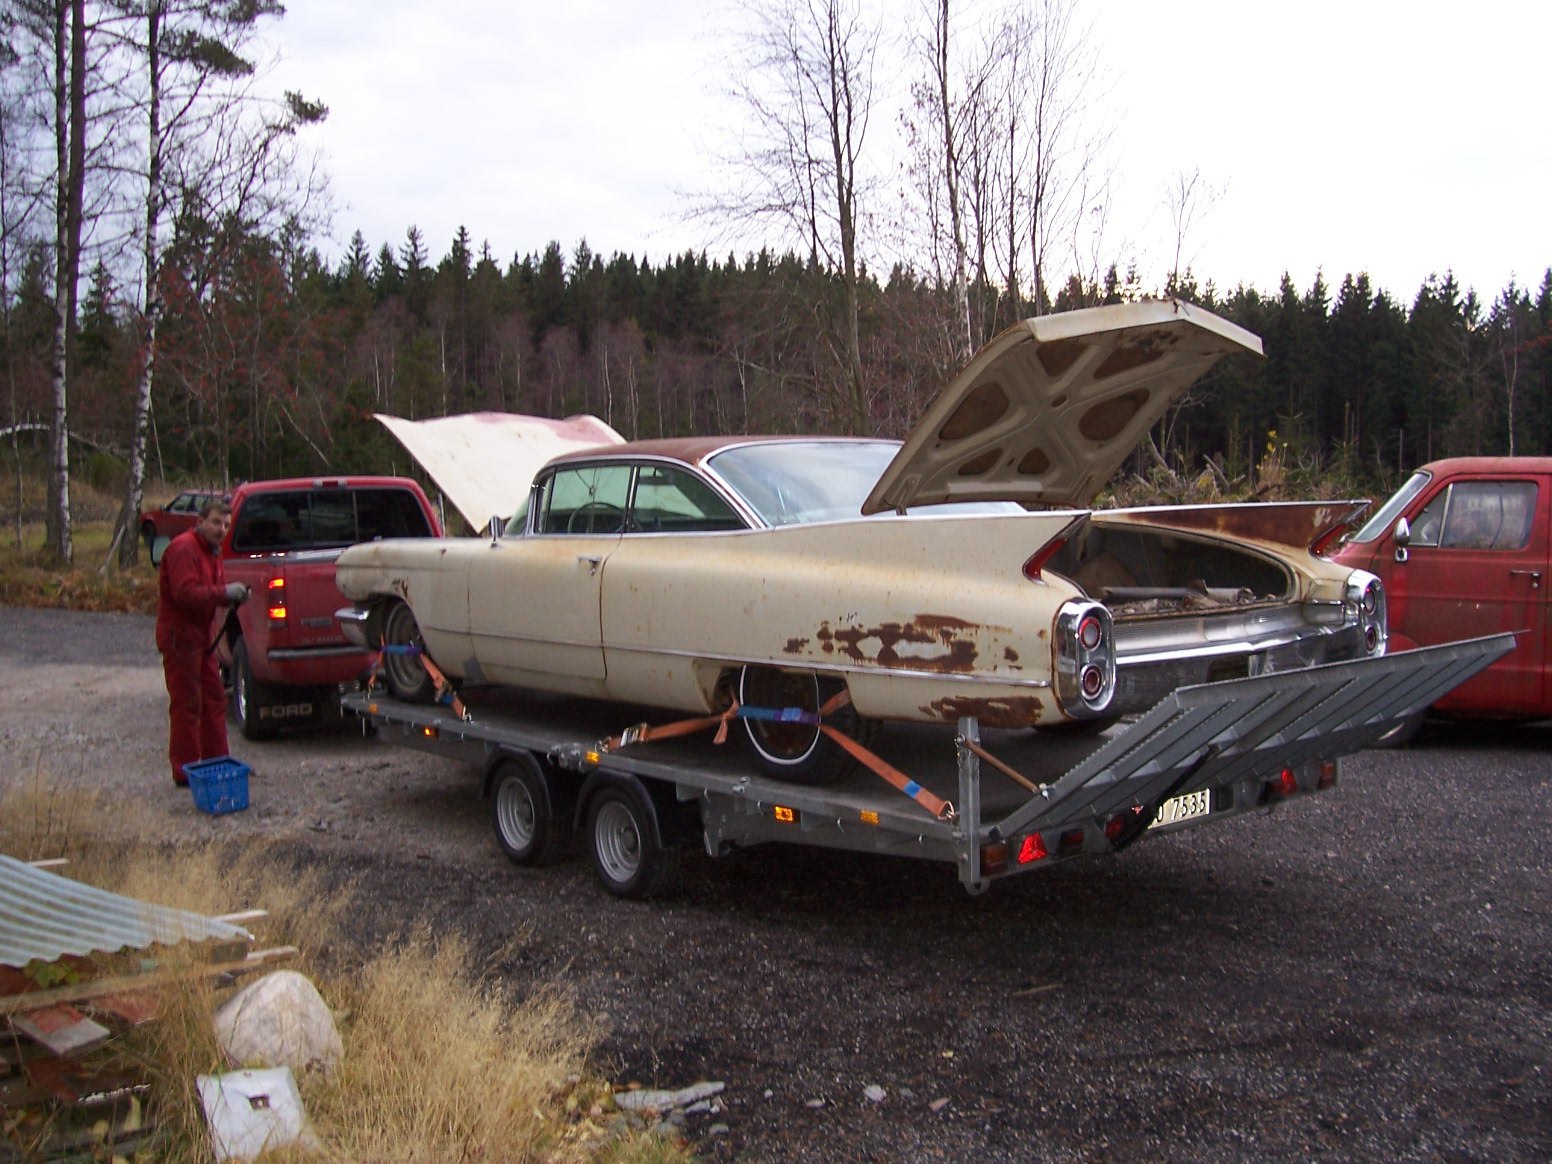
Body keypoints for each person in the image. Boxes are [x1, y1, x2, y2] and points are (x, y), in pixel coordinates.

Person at [155, 498, 249, 786]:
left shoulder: (212, 552)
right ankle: (184, 771)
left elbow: (211, 590)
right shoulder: (184, 549)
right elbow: (185, 594)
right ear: (200, 521)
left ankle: (217, 762)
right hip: (180, 638)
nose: (221, 529)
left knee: (214, 698)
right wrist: (223, 593)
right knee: (187, 703)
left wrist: (234, 594)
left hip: (203, 637)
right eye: (216, 523)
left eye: (226, 525)